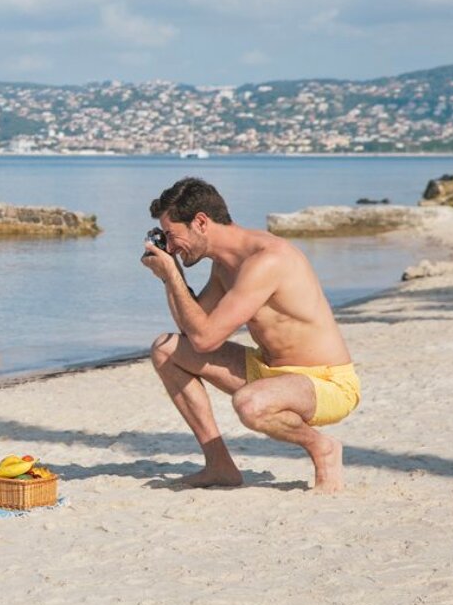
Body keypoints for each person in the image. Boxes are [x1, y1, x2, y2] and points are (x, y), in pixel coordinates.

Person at [141, 178, 360, 493]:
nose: (170, 246)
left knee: (250, 404)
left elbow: (205, 340)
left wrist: (172, 275)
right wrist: (170, 275)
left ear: (200, 222)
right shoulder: (223, 267)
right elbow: (190, 332)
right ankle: (219, 466)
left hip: (326, 383)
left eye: (172, 236)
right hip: (270, 371)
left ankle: (322, 448)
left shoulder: (267, 260)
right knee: (166, 348)